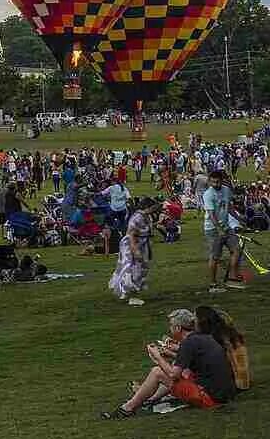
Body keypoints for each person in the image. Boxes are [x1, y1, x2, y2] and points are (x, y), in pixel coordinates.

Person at [103, 308, 237, 418]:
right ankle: (149, 398)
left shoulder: (188, 343)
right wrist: (168, 354)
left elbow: (173, 375)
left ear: (178, 328)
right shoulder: (200, 338)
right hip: (223, 393)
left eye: (171, 326)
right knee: (181, 369)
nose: (170, 329)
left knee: (157, 372)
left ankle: (128, 408)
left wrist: (157, 357)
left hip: (210, 399)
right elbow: (191, 363)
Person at [109, 197, 158, 306]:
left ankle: (133, 290)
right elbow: (131, 235)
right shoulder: (137, 218)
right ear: (147, 207)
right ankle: (126, 292)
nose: (155, 210)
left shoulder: (146, 216)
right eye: (153, 207)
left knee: (141, 268)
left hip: (141, 243)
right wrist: (135, 250)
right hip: (132, 244)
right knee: (130, 268)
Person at [202, 171, 242, 293]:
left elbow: (228, 207)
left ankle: (233, 278)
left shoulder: (226, 190)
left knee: (236, 250)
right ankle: (213, 284)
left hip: (226, 226)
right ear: (209, 181)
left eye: (218, 181)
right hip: (213, 229)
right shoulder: (208, 194)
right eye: (213, 181)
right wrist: (219, 229)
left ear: (222, 180)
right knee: (215, 256)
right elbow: (211, 214)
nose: (215, 184)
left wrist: (239, 218)